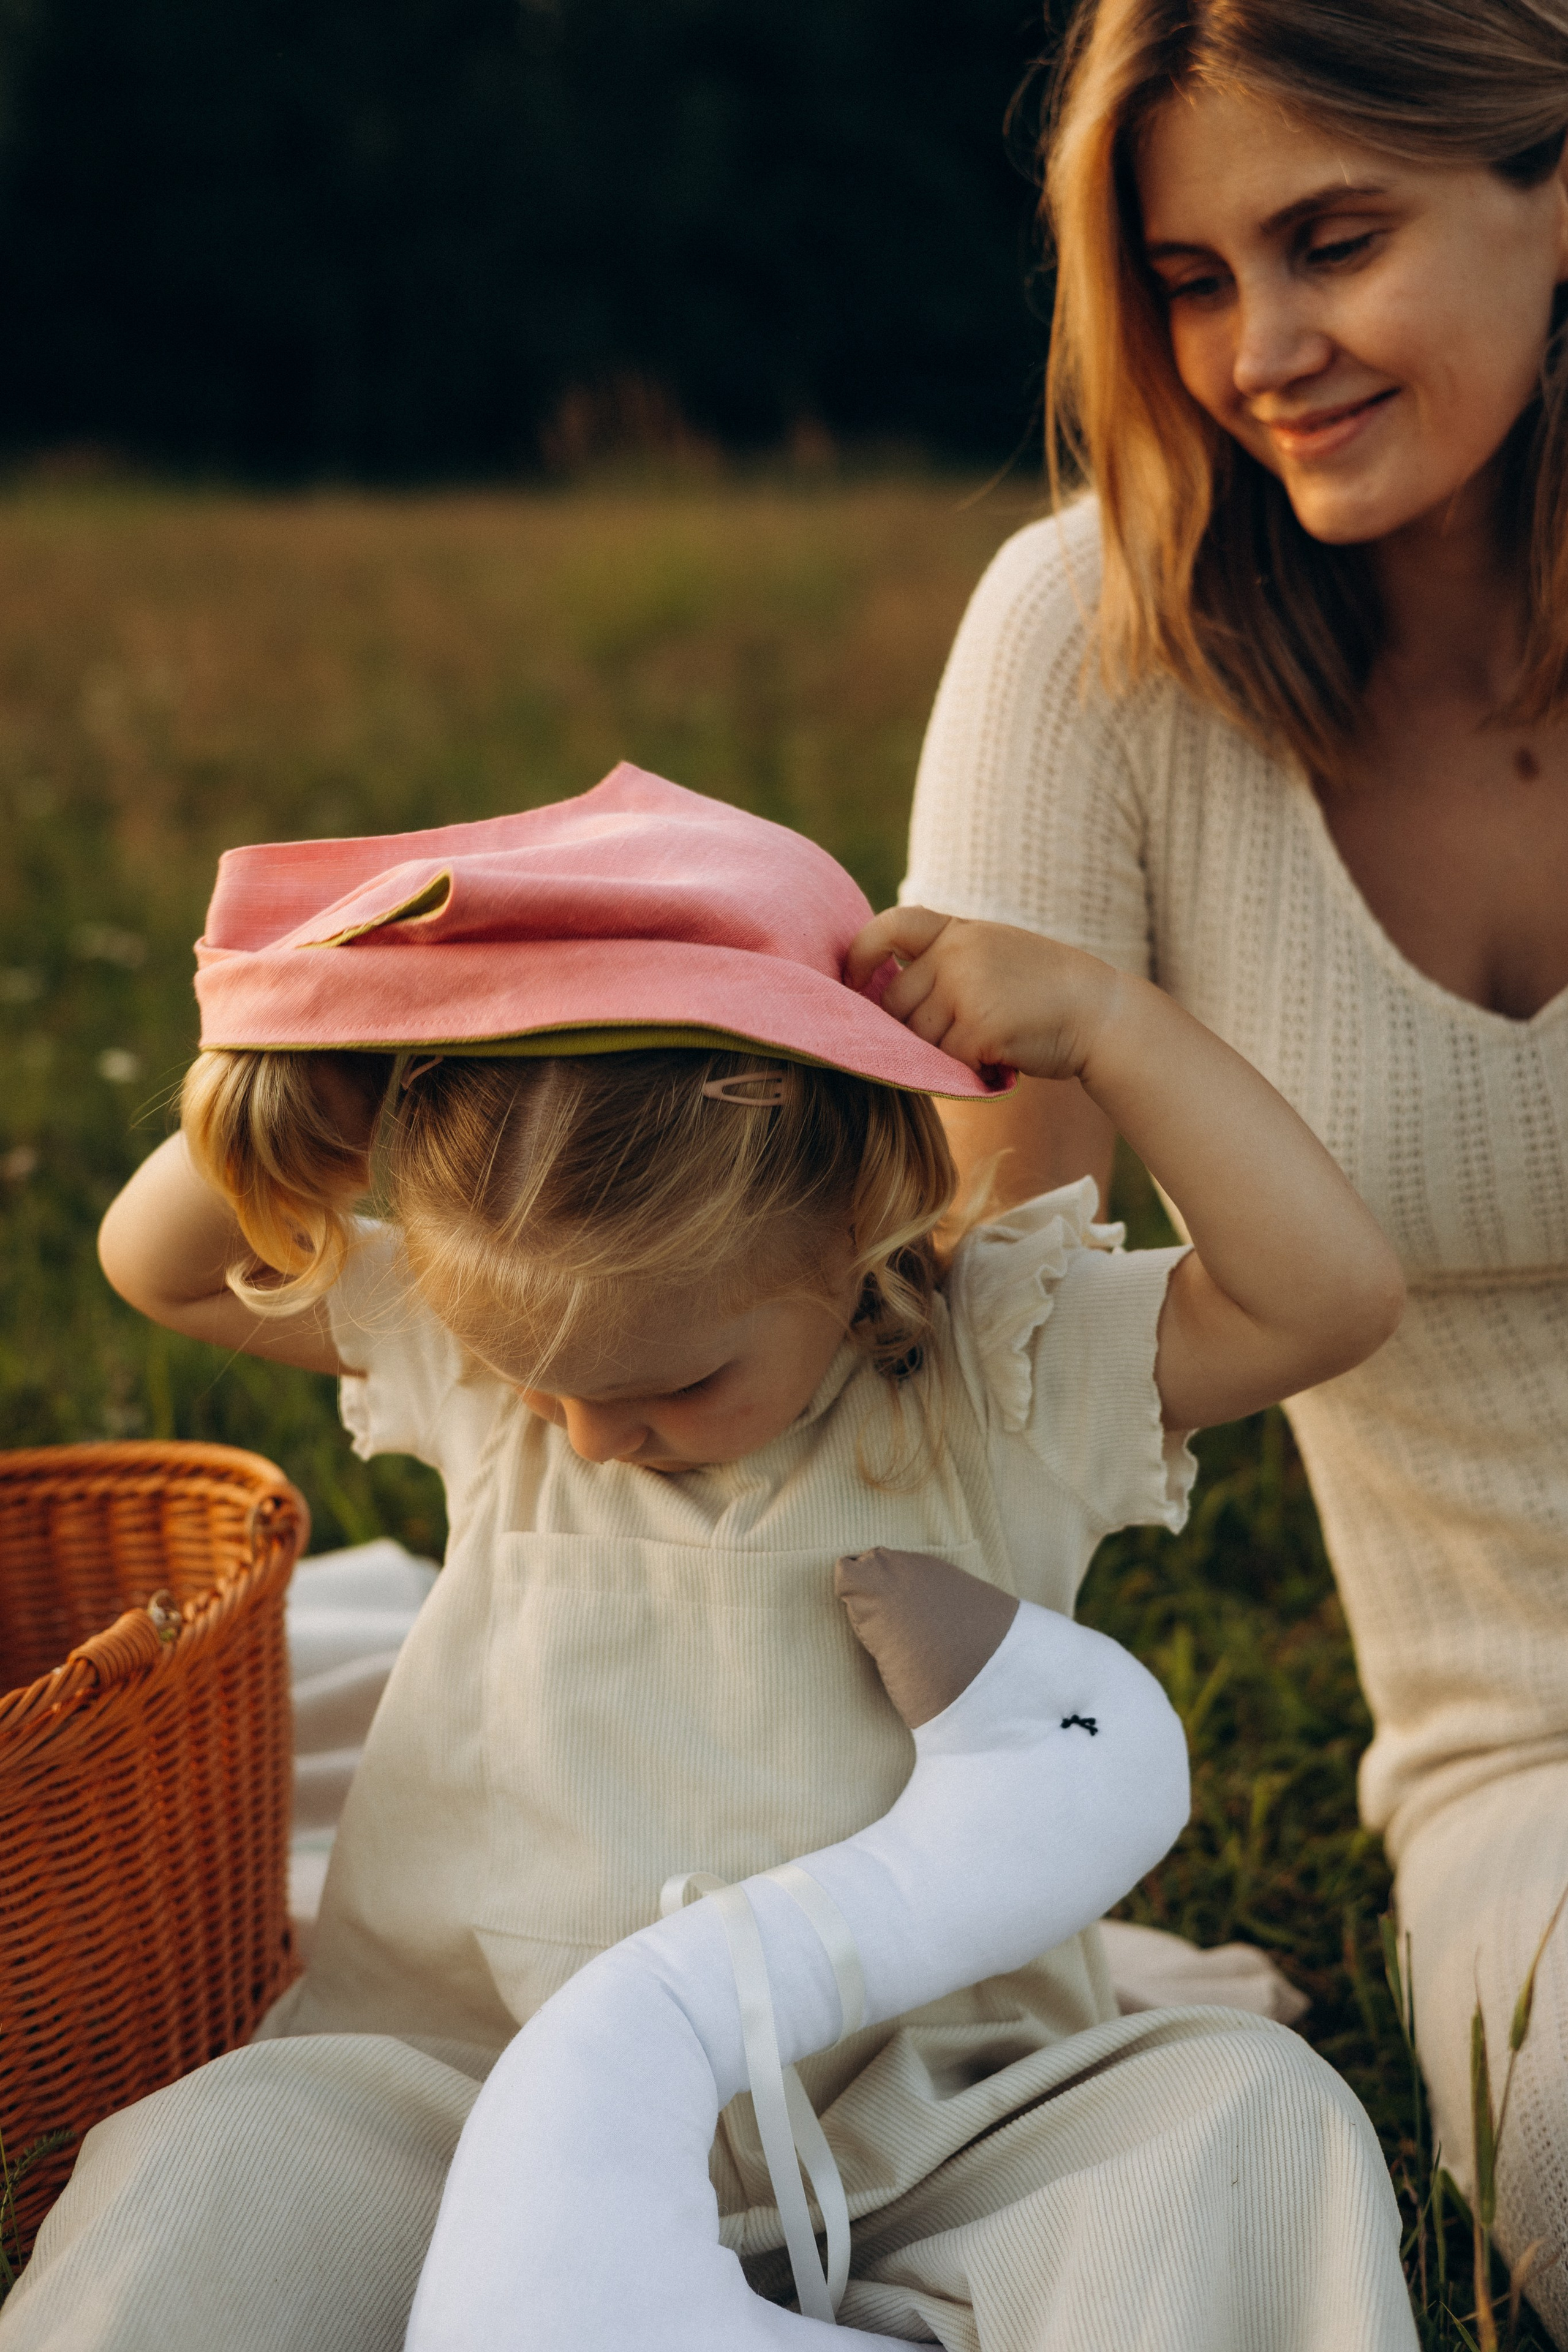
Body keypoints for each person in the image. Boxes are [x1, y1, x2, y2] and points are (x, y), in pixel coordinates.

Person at [1, 766, 1412, 2351]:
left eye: (679, 1387)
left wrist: (1111, 1023)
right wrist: (331, 1040)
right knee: (205, 2178)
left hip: (937, 2115)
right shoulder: (487, 1358)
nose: (595, 1435)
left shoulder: (994, 1375)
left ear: (858, 1224)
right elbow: (161, 1266)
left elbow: (1328, 1301)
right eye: (548, 1386)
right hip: (478, 2086)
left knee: (1248, 2123)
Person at [901, 0, 1568, 2333]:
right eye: (1189, 279)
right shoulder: (1087, 653)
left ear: (1554, 187)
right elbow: (983, 1367)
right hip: (1534, 1749)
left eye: (1334, 239)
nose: (1261, 349)